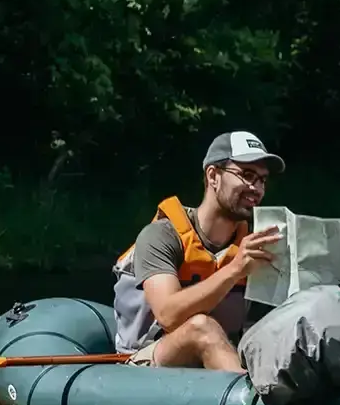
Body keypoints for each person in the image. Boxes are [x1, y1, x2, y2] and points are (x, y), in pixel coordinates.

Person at [110, 131, 287, 371]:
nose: (256, 188)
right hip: (146, 362)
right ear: (213, 176)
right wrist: (235, 269)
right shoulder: (160, 236)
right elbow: (168, 315)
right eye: (247, 175)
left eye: (262, 180)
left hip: (221, 359)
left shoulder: (254, 242)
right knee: (202, 327)